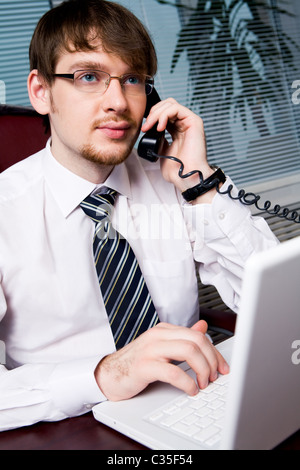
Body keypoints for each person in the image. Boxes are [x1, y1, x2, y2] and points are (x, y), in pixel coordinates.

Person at [0, 0, 278, 431]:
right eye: (88, 76)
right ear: (41, 92)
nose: (118, 101)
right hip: (63, 427)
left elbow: (280, 307)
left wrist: (201, 186)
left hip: (192, 404)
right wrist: (104, 374)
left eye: (132, 79)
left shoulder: (173, 180)